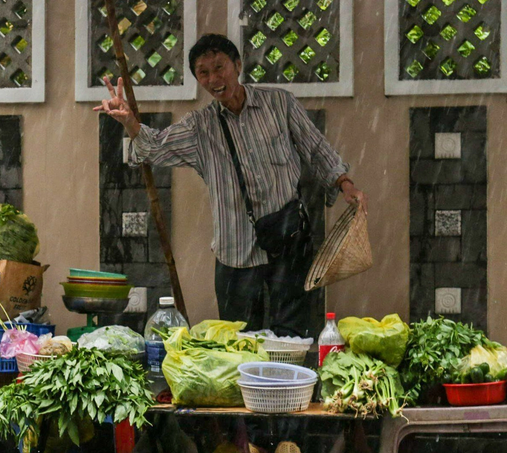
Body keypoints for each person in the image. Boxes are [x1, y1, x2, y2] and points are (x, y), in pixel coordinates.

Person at [95, 33, 366, 337]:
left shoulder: (279, 103)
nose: (214, 78)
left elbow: (316, 148)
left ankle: (289, 386)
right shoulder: (200, 127)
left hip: (288, 243)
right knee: (240, 343)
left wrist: (344, 183)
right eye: (204, 72)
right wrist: (129, 120)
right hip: (234, 252)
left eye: (219, 67)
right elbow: (153, 148)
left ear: (237, 65)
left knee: (293, 338)